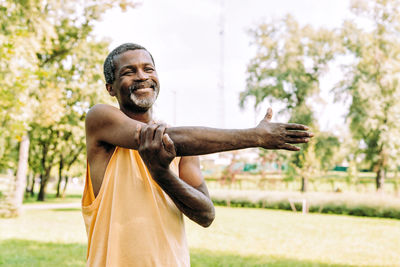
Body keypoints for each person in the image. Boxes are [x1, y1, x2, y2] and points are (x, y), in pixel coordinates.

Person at [82, 43, 313, 267]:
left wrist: (162, 175)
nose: (142, 76)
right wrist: (256, 137)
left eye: (148, 69)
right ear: (110, 88)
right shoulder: (99, 119)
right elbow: (160, 139)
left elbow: (206, 215)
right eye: (129, 72)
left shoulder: (185, 147)